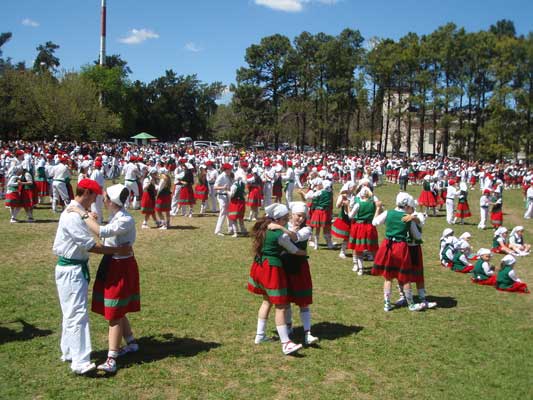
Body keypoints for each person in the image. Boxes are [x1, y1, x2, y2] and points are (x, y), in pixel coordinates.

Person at [53, 179, 131, 375]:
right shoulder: (73, 215)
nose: (95, 201)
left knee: (70, 313)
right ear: (86, 193)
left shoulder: (74, 211)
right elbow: (91, 246)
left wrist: (89, 218)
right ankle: (80, 361)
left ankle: (69, 351)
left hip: (72, 268)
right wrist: (117, 250)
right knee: (77, 314)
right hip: (72, 270)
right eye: (94, 197)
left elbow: (89, 232)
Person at [68, 184, 141, 373]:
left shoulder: (124, 219)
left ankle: (111, 359)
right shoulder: (119, 216)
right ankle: (131, 343)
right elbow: (105, 230)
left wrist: (80, 212)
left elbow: (102, 232)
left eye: (106, 197)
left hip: (120, 266)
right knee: (118, 308)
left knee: (114, 313)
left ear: (111, 201)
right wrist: (93, 217)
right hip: (114, 263)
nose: (103, 199)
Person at [247, 203, 306, 355]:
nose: (287, 221)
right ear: (278, 220)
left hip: (260, 266)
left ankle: (260, 335)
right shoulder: (280, 234)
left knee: (267, 301)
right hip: (272, 269)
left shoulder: (264, 228)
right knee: (281, 305)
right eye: (285, 219)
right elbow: (293, 249)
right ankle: (286, 343)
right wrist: (303, 253)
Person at [371, 192, 425, 312]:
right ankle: (411, 304)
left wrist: (378, 208)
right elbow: (417, 235)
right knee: (405, 277)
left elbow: (374, 222)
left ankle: (387, 304)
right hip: (401, 247)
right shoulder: (407, 217)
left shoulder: (388, 213)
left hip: (387, 245)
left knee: (388, 277)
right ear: (406, 205)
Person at [282, 202, 319, 346]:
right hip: (285, 265)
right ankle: (289, 326)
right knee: (286, 301)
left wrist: (280, 229)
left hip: (300, 267)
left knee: (303, 301)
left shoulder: (307, 229)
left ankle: (307, 332)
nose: (301, 219)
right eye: (298, 216)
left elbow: (296, 237)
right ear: (291, 214)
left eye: (303, 216)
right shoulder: (285, 226)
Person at [347, 186, 379, 276]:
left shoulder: (358, 204)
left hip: (359, 227)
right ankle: (377, 267)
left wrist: (347, 206)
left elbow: (350, 216)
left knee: (359, 249)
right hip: (370, 226)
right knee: (373, 248)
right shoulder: (372, 203)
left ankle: (360, 269)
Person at [331, 182, 354, 259]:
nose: (353, 188)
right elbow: (337, 206)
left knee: (354, 236)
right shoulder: (343, 196)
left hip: (353, 218)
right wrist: (343, 202)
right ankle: (342, 251)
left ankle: (356, 252)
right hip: (345, 218)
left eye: (354, 187)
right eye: (352, 187)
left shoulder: (354, 196)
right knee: (347, 236)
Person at [214, 163, 233, 236]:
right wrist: (223, 188)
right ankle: (217, 230)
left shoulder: (228, 176)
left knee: (229, 213)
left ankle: (230, 229)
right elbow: (215, 187)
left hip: (227, 195)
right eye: (229, 169)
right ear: (226, 169)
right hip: (221, 196)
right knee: (222, 213)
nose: (231, 170)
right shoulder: (221, 176)